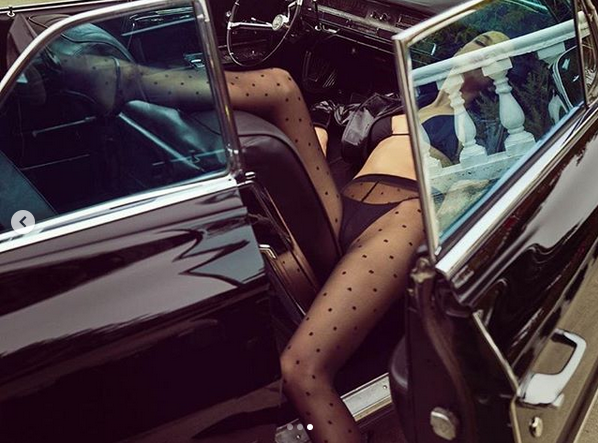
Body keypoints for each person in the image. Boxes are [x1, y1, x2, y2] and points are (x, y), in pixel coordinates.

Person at [46, 25, 505, 443]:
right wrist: (298, 168)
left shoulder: (493, 123)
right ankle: (122, 78)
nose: (479, 49)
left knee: (303, 370)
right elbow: (328, 136)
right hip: (342, 206)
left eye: (496, 52)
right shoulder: (401, 99)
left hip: (404, 220)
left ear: (499, 73)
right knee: (281, 85)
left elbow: (478, 195)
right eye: (480, 39)